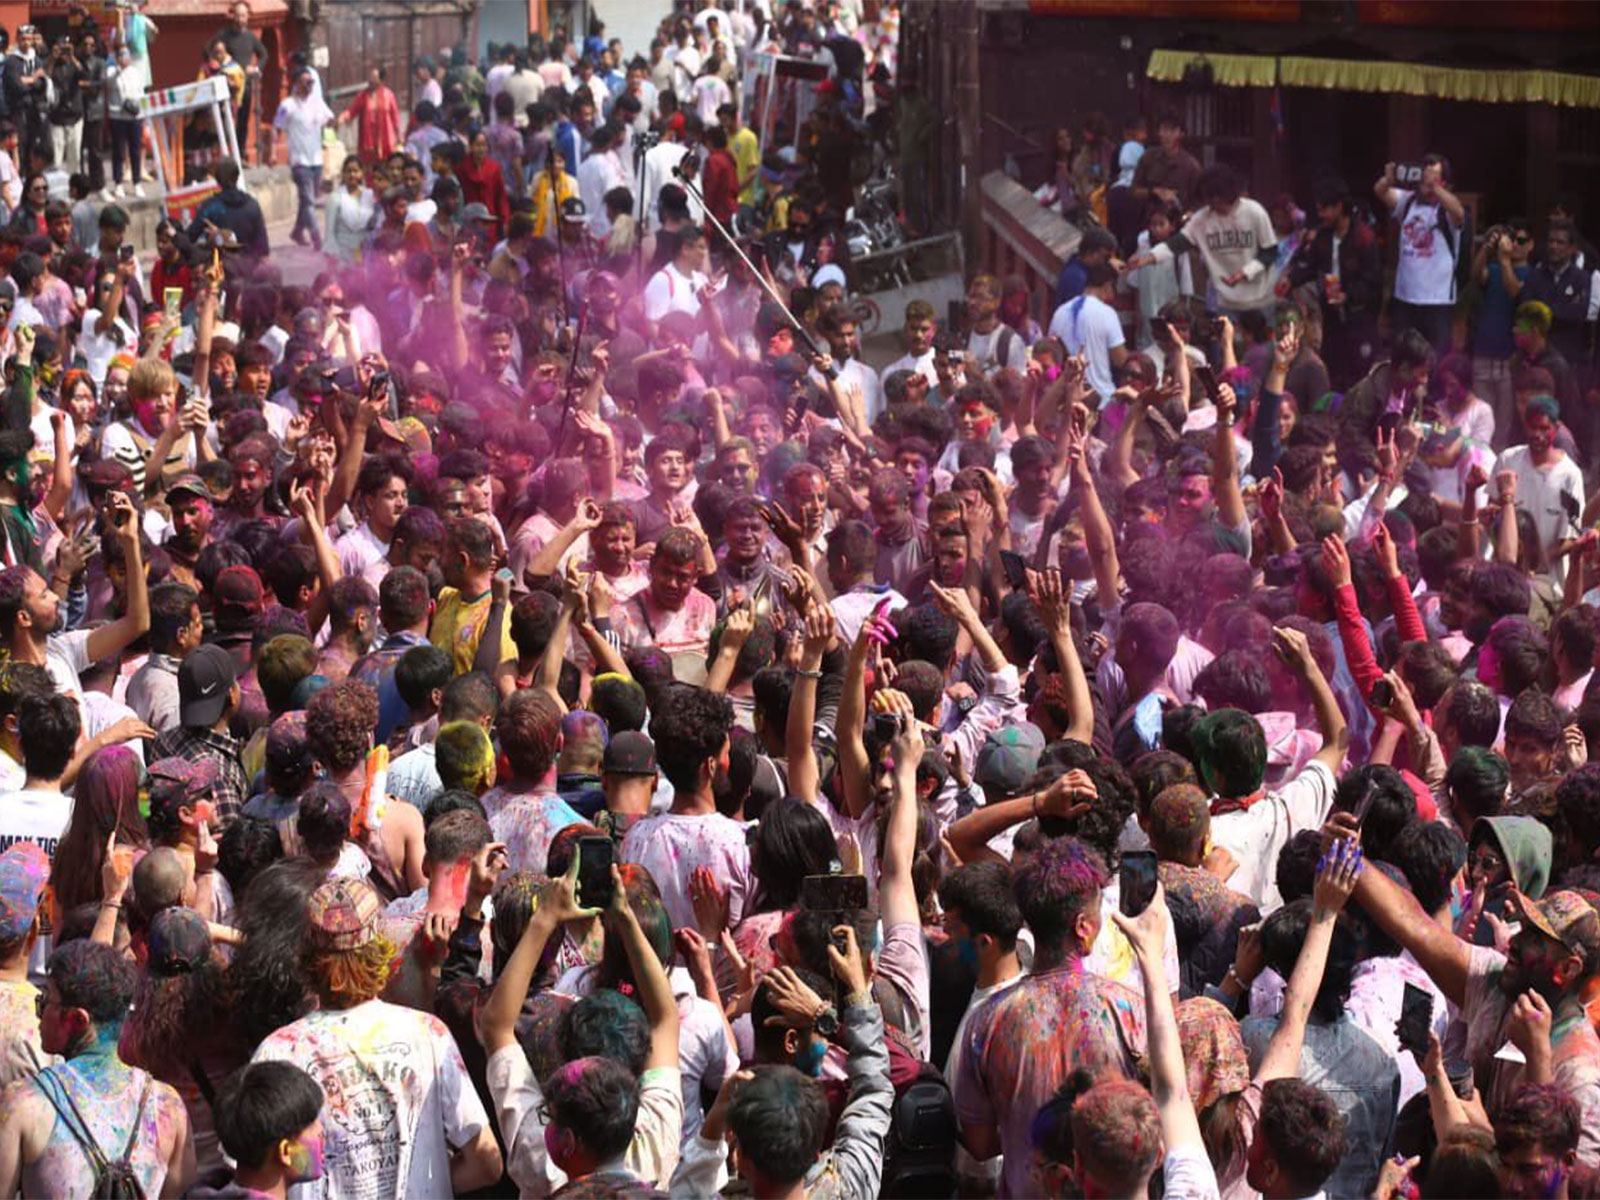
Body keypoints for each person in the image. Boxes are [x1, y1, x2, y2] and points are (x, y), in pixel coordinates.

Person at [251, 876, 503, 1196]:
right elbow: (486, 1163)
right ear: (379, 950)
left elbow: (257, 1180)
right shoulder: (429, 1036)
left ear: (308, 957)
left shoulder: (279, 1053)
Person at [0, 940, 194, 1197]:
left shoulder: (24, 1105)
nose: (40, 1011)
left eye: (45, 1000)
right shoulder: (168, 1107)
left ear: (77, 1019)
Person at [1374, 154, 1466, 354]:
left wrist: (1436, 188)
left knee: (1436, 362)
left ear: (1444, 182)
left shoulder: (1446, 209)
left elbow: (1459, 212)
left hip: (1438, 302)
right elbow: (1380, 191)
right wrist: (1388, 179)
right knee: (1403, 358)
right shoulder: (1407, 201)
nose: (1426, 181)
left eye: (1434, 175)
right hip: (1405, 299)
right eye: (1424, 175)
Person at [274, 68, 333, 252]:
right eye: (306, 82)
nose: (310, 86)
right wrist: (273, 152)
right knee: (308, 201)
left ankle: (298, 231)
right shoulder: (287, 105)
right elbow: (277, 126)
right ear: (297, 84)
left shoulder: (316, 102)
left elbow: (329, 118)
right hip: (299, 161)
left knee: (308, 199)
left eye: (312, 83)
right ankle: (317, 238)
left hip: (316, 159)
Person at [208, 2, 267, 162]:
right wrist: (221, 67)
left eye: (243, 15)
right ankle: (225, 154)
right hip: (226, 85)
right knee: (224, 119)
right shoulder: (224, 36)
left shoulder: (250, 37)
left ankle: (240, 155)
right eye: (238, 15)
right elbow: (209, 51)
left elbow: (263, 54)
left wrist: (256, 68)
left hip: (244, 86)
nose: (240, 19)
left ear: (248, 17)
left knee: (243, 121)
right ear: (233, 16)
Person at [336, 66, 401, 167]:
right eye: (370, 78)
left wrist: (399, 137)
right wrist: (343, 118)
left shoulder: (389, 95)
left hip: (386, 141)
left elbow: (395, 118)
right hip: (368, 143)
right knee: (368, 170)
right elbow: (352, 111)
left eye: (374, 78)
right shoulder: (363, 95)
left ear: (381, 79)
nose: (371, 81)